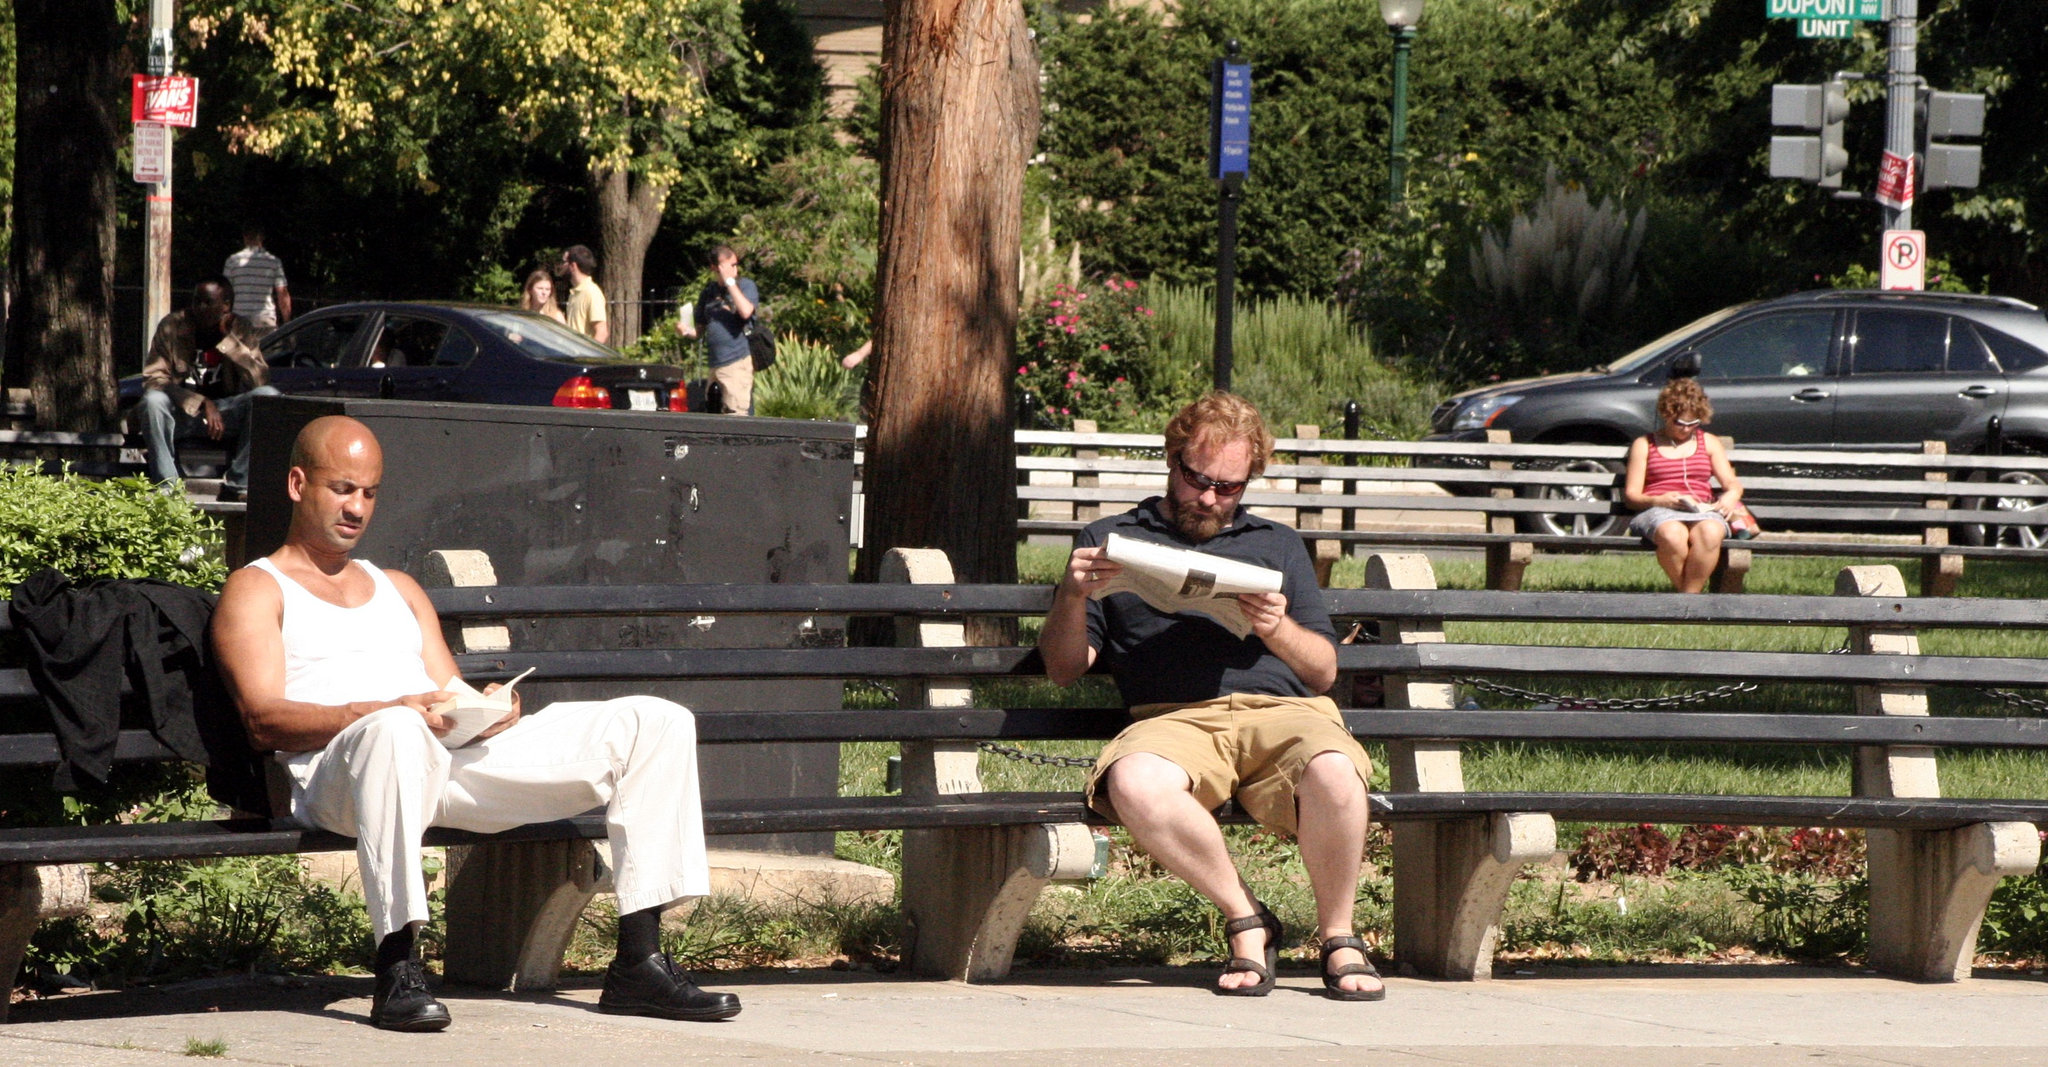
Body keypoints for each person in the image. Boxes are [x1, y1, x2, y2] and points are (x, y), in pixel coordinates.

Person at [209, 416, 740, 1032]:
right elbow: (261, 719)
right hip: (341, 779)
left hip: (439, 764)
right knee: (395, 733)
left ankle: (640, 962)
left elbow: (445, 692)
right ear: (299, 484)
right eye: (342, 488)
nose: (357, 507)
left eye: (370, 493)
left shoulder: (399, 588)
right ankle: (398, 966)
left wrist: (486, 711)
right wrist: (381, 711)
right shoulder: (258, 588)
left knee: (656, 722)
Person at [1037, 392, 1382, 1002]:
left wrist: (1277, 629)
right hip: (1173, 720)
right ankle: (1248, 920)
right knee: (1135, 782)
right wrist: (1072, 595)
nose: (1210, 498)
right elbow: (1065, 669)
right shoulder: (1111, 538)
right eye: (1199, 480)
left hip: (1285, 715)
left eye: (1230, 487)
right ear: (1172, 460)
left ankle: (1339, 937)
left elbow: (1324, 671)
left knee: (1333, 770)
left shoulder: (1276, 545)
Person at [140, 278, 280, 503]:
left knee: (269, 397)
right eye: (196, 301)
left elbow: (260, 380)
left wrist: (229, 341)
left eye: (207, 302)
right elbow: (154, 379)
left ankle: (238, 484)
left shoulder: (240, 328)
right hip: (181, 415)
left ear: (226, 306)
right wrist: (202, 402)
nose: (199, 308)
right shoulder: (173, 326)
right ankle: (167, 487)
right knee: (153, 401)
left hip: (225, 417)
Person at [1623, 377, 1745, 593]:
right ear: (1666, 415)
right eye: (1680, 423)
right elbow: (1631, 496)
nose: (1686, 430)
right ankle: (1691, 599)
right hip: (1658, 509)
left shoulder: (1708, 442)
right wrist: (1658, 500)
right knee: (1672, 535)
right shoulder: (1645, 444)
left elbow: (1732, 484)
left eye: (1693, 423)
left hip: (1701, 508)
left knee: (1710, 531)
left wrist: (1729, 497)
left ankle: (1687, 601)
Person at [677, 245, 758, 415]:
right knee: (713, 415)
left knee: (736, 415)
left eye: (735, 264)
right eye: (729, 265)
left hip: (736, 363)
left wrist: (730, 282)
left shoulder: (745, 286)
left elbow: (746, 311)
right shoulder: (709, 292)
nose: (734, 269)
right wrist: (685, 330)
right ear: (715, 267)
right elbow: (698, 331)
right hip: (714, 365)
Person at [222, 226, 292, 338]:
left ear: (244, 237)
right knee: (267, 354)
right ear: (262, 238)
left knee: (240, 355)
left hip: (239, 319)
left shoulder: (232, 261)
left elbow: (225, 293)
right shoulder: (273, 262)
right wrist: (288, 323)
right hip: (265, 319)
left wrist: (224, 318)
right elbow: (282, 293)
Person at [556, 245, 610, 344]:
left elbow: (602, 332)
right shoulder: (575, 292)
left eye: (564, 262)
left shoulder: (591, 292)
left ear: (573, 266)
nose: (561, 267)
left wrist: (588, 356)